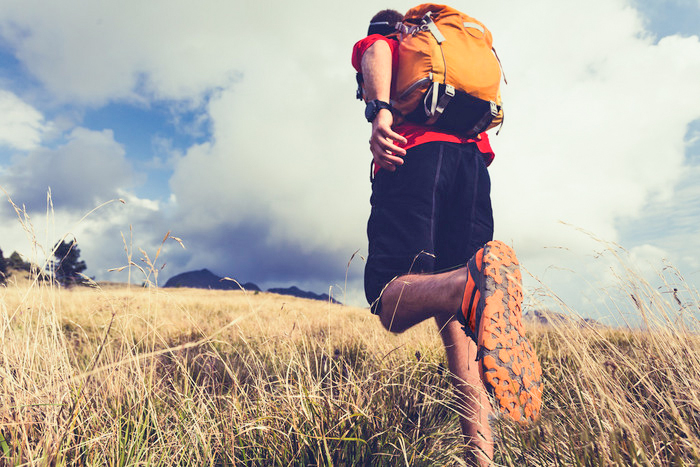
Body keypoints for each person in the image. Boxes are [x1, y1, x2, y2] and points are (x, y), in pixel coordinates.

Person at [352, 8, 542, 465]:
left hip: (412, 156)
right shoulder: (450, 59)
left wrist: (378, 111)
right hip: (472, 170)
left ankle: (467, 284)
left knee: (388, 296)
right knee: (458, 323)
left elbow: (374, 50)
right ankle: (482, 457)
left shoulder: (392, 38)